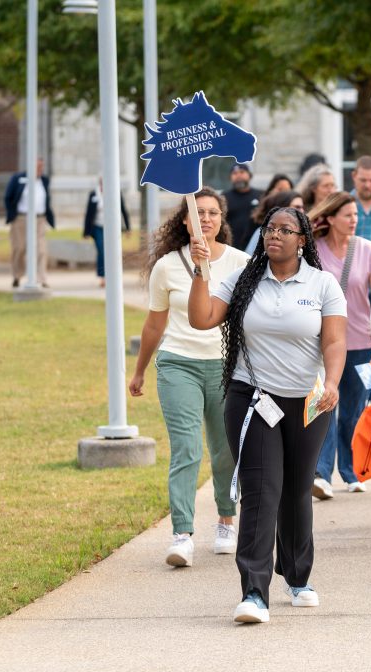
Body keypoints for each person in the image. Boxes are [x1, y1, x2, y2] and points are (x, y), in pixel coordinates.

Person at [187, 206, 346, 624]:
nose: (274, 235)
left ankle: (297, 577)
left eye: (285, 230)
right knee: (261, 491)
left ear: (302, 240)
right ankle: (254, 593)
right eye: (269, 228)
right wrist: (199, 271)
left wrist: (331, 382)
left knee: (296, 490)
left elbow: (334, 341)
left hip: (309, 401)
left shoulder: (322, 283)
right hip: (252, 398)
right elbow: (202, 318)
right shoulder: (243, 279)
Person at [129, 187, 249, 569]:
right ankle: (182, 534)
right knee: (186, 450)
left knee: (224, 449)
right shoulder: (167, 266)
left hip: (224, 366)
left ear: (222, 220)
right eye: (200, 213)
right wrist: (139, 371)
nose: (208, 218)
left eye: (214, 212)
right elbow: (154, 324)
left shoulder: (240, 263)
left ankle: (227, 521)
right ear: (186, 220)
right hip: (178, 363)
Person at [307, 192, 371, 500]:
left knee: (354, 410)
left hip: (363, 341)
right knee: (326, 407)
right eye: (347, 215)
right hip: (324, 342)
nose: (354, 220)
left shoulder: (367, 250)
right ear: (330, 218)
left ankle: (351, 472)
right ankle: (322, 474)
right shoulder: (315, 250)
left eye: (355, 215)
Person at [4, 157, 55, 288]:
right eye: (37, 167)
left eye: (41, 167)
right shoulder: (18, 178)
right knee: (20, 248)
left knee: (41, 249)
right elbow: (8, 197)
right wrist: (12, 215)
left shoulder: (44, 180)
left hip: (39, 219)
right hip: (21, 219)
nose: (40, 170)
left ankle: (41, 278)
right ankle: (17, 275)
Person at [83, 178, 133, 289]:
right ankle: (103, 277)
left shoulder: (115, 192)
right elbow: (88, 214)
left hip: (111, 227)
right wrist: (86, 232)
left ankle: (113, 276)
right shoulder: (93, 194)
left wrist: (128, 228)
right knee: (102, 250)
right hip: (97, 227)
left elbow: (123, 210)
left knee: (112, 251)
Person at [246, 191, 305, 255]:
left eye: (302, 208)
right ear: (284, 207)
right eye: (297, 207)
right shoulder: (262, 232)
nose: (302, 211)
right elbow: (249, 257)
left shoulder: (304, 233)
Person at [224, 163, 263, 251]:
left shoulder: (261, 196)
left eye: (242, 172)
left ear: (250, 175)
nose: (238, 176)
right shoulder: (223, 198)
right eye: (234, 173)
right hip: (231, 247)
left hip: (256, 246)